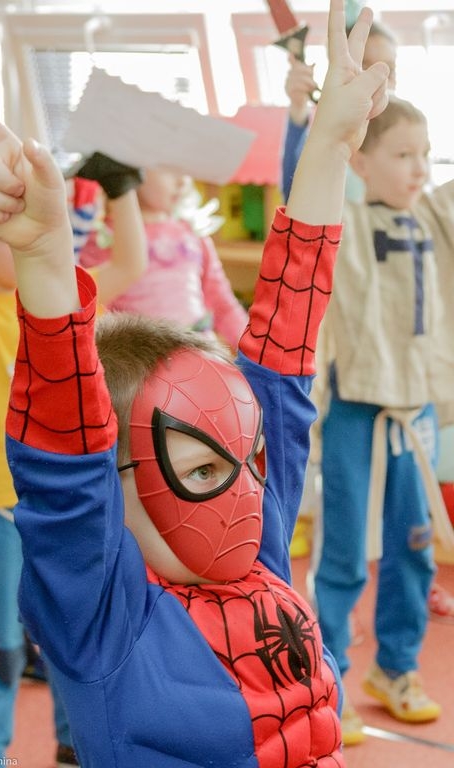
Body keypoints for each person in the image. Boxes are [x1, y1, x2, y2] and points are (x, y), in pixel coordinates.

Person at [0, 0, 390, 763]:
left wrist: (328, 146)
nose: (248, 495)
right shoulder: (105, 623)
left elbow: (285, 347)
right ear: (113, 495)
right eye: (203, 472)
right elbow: (65, 457)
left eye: (248, 463)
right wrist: (45, 259)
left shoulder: (258, 552)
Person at [0, 160, 145, 764]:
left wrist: (121, 189)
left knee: (71, 638)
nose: (16, 241)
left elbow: (130, 264)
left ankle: (72, 746)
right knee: (0, 646)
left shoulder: (61, 306)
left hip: (67, 506)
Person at [309, 92, 454, 746]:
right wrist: (314, 123)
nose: (418, 167)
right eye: (401, 155)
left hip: (414, 411)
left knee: (415, 547)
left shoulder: (430, 216)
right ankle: (330, 680)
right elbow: (309, 178)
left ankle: (395, 667)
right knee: (344, 553)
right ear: (361, 162)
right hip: (357, 412)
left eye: (425, 154)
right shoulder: (346, 221)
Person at [76, 162, 248, 351]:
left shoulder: (191, 233)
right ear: (133, 166)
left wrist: (251, 350)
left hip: (200, 352)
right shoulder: (103, 238)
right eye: (170, 170)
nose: (182, 181)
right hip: (143, 359)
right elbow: (97, 314)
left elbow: (223, 304)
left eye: (186, 171)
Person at [281, 17, 397, 204]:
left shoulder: (410, 135)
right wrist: (298, 106)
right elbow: (293, 199)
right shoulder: (331, 137)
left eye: (389, 69)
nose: (379, 80)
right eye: (364, 67)